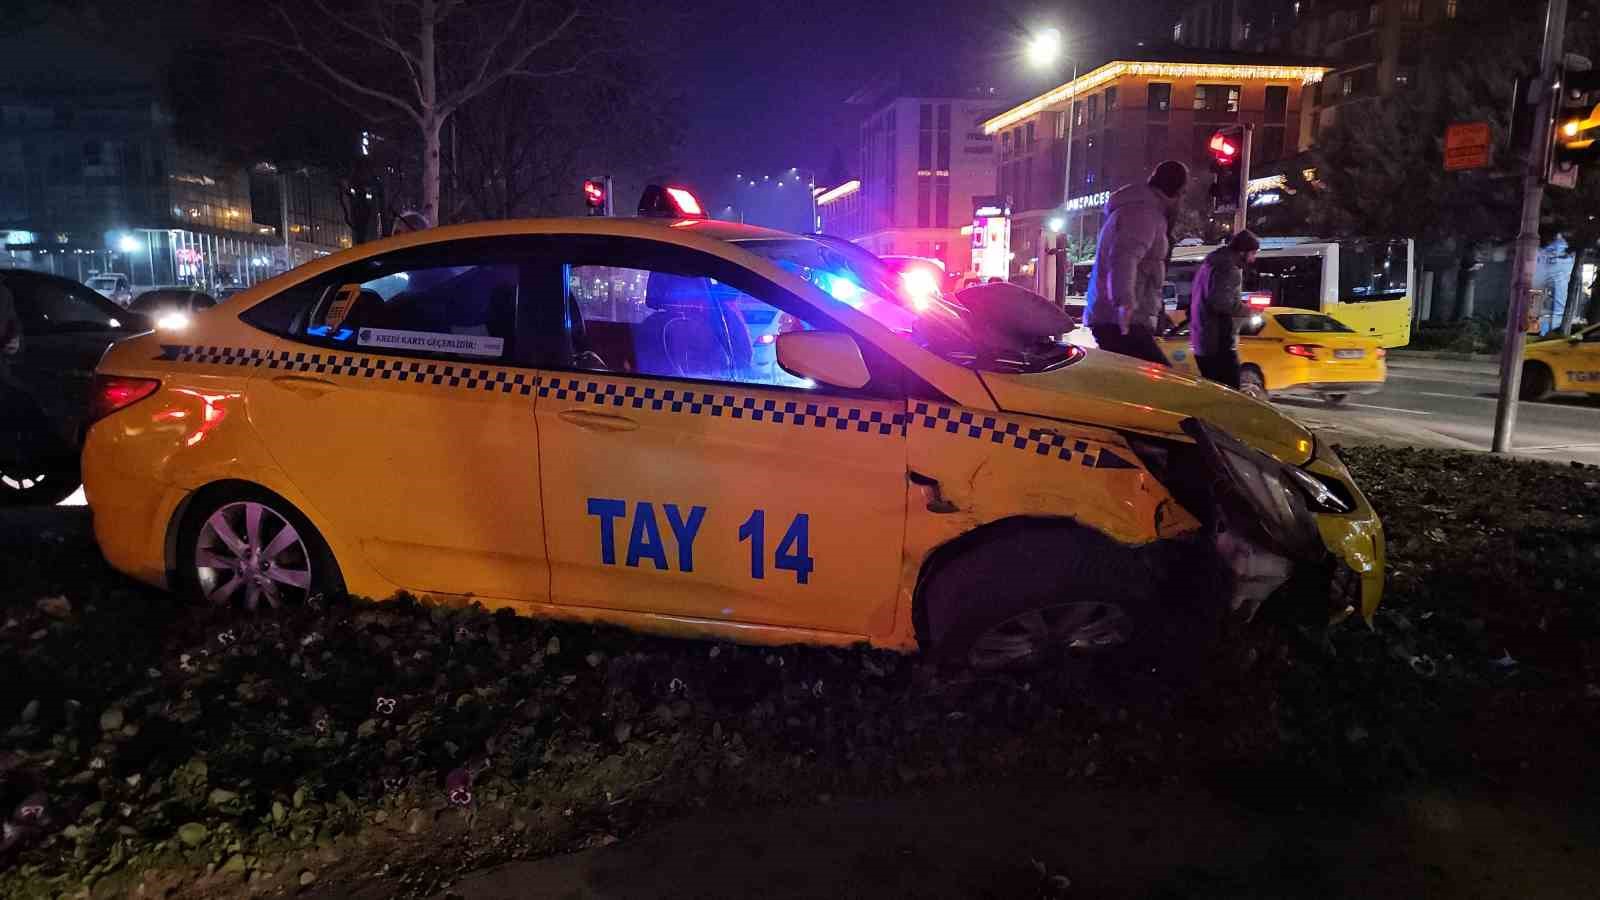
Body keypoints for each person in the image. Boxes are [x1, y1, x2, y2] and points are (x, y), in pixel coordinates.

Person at [1084, 160, 1189, 365]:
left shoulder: (1145, 211)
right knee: (1157, 380)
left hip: (1120, 318)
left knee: (1131, 382)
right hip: (1121, 321)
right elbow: (1124, 258)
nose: (1183, 200)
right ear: (1175, 190)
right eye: (1183, 192)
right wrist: (1125, 304)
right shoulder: (1143, 213)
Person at [1189, 230, 1262, 390]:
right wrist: (1249, 311)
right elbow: (1221, 303)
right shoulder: (1228, 269)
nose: (1253, 259)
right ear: (1242, 252)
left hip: (1203, 338)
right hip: (1217, 342)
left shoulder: (1210, 264)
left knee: (1213, 392)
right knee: (1230, 394)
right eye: (1253, 253)